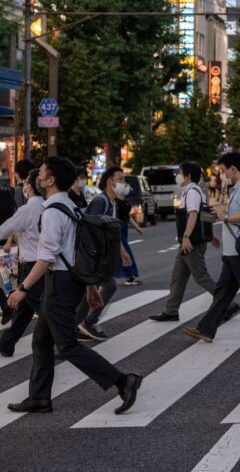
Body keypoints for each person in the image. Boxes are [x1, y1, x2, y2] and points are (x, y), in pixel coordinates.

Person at [5, 156, 142, 416]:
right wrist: (89, 288)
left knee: (66, 344)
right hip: (68, 281)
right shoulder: (70, 205)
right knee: (41, 340)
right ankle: (39, 398)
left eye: (42, 173)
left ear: (51, 179)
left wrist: (22, 288)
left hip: (60, 283)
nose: (38, 177)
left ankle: (124, 381)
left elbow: (47, 256)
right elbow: (76, 251)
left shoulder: (53, 212)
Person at [183, 152, 240, 343]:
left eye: (225, 170)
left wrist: (225, 216)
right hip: (233, 251)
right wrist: (223, 210)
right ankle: (206, 329)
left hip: (239, 250)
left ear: (233, 168)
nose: (224, 174)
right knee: (223, 293)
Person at [149, 162, 217, 322]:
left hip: (191, 242)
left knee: (201, 276)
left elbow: (193, 215)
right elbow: (204, 214)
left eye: (180, 173)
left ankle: (227, 304)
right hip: (187, 241)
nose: (178, 176)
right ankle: (171, 310)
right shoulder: (191, 191)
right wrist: (210, 235)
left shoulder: (192, 191)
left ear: (188, 176)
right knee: (178, 276)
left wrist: (186, 237)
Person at [76, 166, 134, 341]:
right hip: (93, 257)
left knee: (91, 291)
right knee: (108, 286)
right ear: (110, 181)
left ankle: (79, 325)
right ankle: (86, 323)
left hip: (100, 257)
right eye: (121, 179)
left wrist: (122, 251)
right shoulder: (101, 201)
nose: (124, 184)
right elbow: (89, 230)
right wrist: (92, 259)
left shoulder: (112, 202)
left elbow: (112, 233)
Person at [0, 169, 45, 357]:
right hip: (44, 266)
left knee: (47, 312)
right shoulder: (48, 206)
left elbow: (4, 229)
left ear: (31, 185)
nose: (24, 185)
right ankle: (6, 343)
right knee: (25, 310)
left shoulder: (27, 209)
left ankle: (68, 341)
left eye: (26, 182)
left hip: (32, 266)